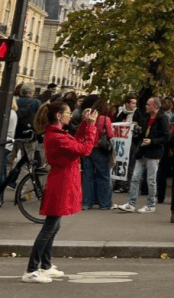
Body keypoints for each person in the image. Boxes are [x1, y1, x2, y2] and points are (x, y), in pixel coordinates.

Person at [22, 102, 98, 283]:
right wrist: (91, 127)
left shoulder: (56, 134)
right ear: (58, 116)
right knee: (50, 226)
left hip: (62, 180)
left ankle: (45, 265)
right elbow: (84, 149)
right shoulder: (57, 136)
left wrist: (86, 124)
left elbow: (76, 143)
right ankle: (32, 269)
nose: (70, 116)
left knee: (54, 225)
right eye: (68, 113)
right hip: (61, 181)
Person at [118, 96, 170, 213]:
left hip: (153, 153)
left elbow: (166, 137)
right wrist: (137, 133)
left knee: (151, 179)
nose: (146, 106)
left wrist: (152, 141)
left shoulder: (162, 119)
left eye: (148, 104)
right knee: (135, 178)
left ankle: (151, 204)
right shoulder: (145, 118)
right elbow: (142, 133)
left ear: (155, 106)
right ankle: (131, 204)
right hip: (142, 151)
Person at [82, 100, 115, 210]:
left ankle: (87, 202)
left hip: (87, 149)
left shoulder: (88, 118)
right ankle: (104, 203)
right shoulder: (105, 119)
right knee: (103, 177)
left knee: (88, 177)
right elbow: (110, 134)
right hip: (100, 150)